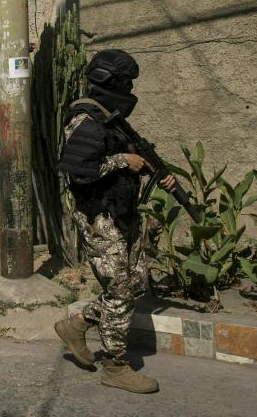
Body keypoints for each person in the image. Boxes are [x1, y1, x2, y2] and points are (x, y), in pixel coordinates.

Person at [55, 49, 176, 394]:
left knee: (135, 281)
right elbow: (79, 174)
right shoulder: (85, 119)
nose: (129, 88)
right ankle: (115, 366)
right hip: (98, 216)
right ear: (110, 81)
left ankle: (77, 325)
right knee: (120, 287)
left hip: (123, 211)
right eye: (125, 82)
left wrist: (155, 170)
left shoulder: (111, 117)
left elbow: (132, 153)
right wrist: (122, 160)